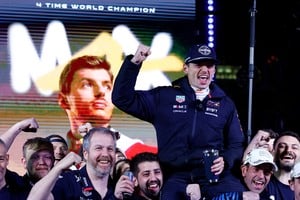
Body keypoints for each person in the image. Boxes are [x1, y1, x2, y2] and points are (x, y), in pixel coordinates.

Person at [112, 43, 246, 199]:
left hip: (213, 176)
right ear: (186, 68)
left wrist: (226, 160)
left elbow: (236, 144)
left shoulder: (225, 104)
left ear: (214, 70)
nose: (204, 70)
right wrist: (134, 63)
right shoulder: (165, 97)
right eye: (198, 65)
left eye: (209, 65)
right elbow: (122, 99)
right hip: (174, 176)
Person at [58, 55, 157, 158]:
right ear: (64, 100)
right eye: (87, 84)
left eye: (107, 86)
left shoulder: (143, 155)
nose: (101, 91)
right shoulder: (50, 154)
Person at [27, 127, 121, 200]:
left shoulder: (120, 186)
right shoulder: (68, 181)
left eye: (110, 149)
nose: (105, 154)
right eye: (98, 148)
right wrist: (57, 168)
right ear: (85, 153)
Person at [114, 152, 201, 200]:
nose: (153, 178)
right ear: (135, 180)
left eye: (157, 172)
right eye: (146, 174)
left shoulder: (174, 193)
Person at [212, 148, 277, 200]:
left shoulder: (269, 195)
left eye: (267, 172)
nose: (261, 176)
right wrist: (238, 197)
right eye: (256, 169)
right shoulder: (228, 186)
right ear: (244, 170)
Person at [266, 131, 300, 200]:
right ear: (273, 151)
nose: (288, 150)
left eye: (294, 147)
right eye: (282, 146)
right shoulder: (262, 182)